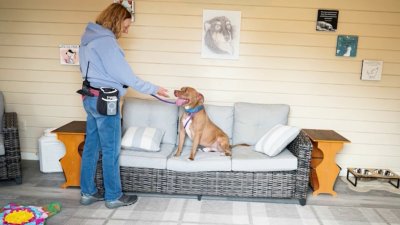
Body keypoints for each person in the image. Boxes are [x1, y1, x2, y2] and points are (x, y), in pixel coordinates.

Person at [78, 3, 168, 209]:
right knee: (111, 149)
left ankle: (88, 193)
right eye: (126, 25)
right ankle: (113, 196)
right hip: (105, 101)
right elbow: (125, 75)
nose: (126, 30)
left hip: (89, 98)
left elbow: (95, 71)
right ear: (117, 20)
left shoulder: (87, 39)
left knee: (92, 147)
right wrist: (154, 88)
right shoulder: (106, 42)